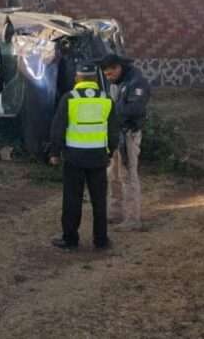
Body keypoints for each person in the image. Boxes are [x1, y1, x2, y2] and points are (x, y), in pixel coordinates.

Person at [48, 62, 120, 251]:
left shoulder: (69, 98)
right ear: (96, 80)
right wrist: (111, 151)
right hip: (98, 158)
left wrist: (55, 153)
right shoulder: (106, 99)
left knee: (72, 200)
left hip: (74, 158)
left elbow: (58, 128)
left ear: (77, 79)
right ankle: (101, 241)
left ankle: (70, 240)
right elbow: (113, 131)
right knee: (99, 201)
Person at [99, 54, 151, 231]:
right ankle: (115, 213)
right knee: (112, 175)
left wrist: (110, 112)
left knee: (128, 176)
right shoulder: (117, 82)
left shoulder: (137, 82)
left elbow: (136, 109)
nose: (108, 76)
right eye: (105, 73)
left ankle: (132, 219)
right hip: (115, 133)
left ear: (118, 67)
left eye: (110, 72)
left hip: (129, 134)